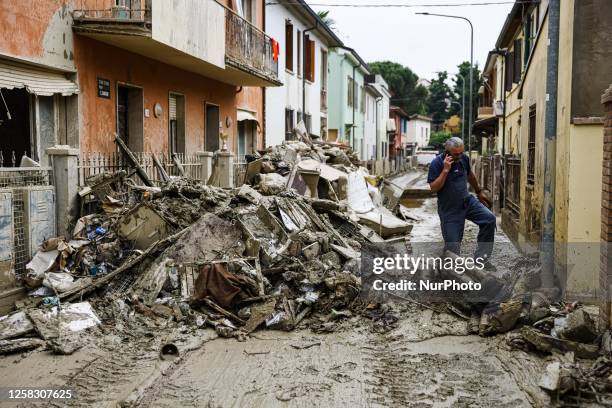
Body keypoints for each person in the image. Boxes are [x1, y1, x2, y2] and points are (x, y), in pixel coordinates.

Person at [427, 137, 496, 267]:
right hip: (449, 208)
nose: (459, 156)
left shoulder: (464, 159)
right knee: (453, 246)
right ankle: (448, 274)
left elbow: (470, 174)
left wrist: (479, 191)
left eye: (461, 152)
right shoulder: (436, 163)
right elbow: (433, 188)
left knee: (489, 219)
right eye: (456, 154)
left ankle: (482, 259)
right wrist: (445, 170)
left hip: (467, 201)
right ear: (447, 151)